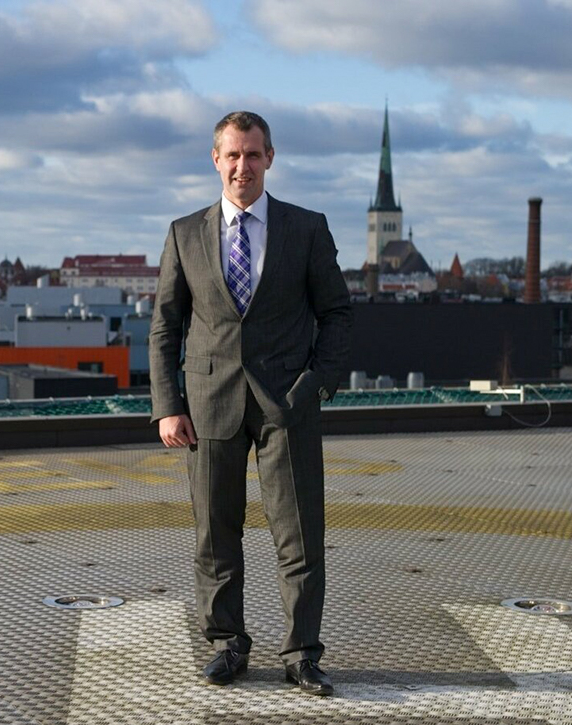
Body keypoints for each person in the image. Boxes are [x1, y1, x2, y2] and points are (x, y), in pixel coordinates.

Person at [149, 111, 352, 696]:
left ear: (270, 159)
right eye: (233, 155)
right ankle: (227, 643)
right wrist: (169, 404)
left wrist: (317, 384)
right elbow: (165, 327)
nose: (243, 166)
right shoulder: (185, 233)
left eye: (254, 154)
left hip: (288, 404)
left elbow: (337, 312)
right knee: (215, 533)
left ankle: (302, 654)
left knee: (299, 534)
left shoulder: (306, 228)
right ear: (216, 159)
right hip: (208, 403)